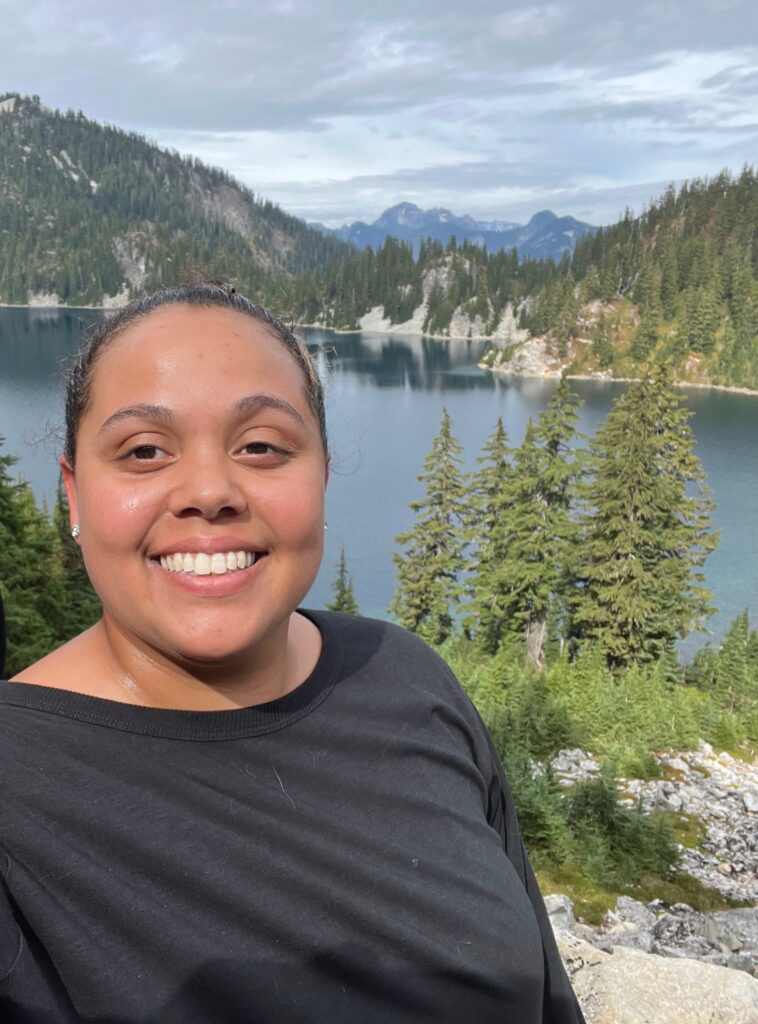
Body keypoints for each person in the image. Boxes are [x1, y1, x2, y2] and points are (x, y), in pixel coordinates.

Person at [0, 283, 585, 1024]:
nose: (210, 491)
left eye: (262, 447)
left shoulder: (404, 676)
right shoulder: (14, 790)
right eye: (144, 451)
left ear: (321, 473)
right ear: (75, 494)